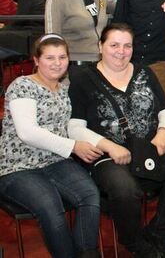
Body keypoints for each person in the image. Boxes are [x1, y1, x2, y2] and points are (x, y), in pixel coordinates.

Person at [68, 23, 165, 257]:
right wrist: (109, 146)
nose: (121, 51)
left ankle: (159, 231)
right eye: (114, 45)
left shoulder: (144, 72)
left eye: (127, 45)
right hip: (108, 155)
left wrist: (162, 132)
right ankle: (133, 240)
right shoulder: (82, 79)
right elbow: (75, 127)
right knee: (124, 188)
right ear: (101, 46)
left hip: (149, 147)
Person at [0, 34, 102, 258]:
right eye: (49, 58)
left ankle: (87, 253)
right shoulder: (22, 85)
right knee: (51, 208)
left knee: (90, 195)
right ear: (36, 60)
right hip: (19, 167)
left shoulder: (66, 89)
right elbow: (27, 132)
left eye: (62, 57)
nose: (57, 63)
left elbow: (74, 125)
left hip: (56, 161)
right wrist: (74, 146)